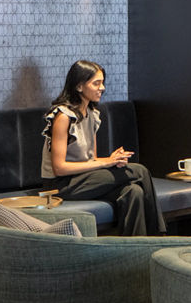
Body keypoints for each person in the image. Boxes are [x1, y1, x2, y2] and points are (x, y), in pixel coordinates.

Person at [41, 60, 166, 236]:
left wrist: (113, 160)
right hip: (60, 185)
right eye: (96, 83)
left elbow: (90, 160)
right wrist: (106, 163)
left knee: (134, 192)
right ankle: (157, 236)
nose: (102, 88)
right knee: (140, 171)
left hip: (83, 179)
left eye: (102, 83)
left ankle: (131, 251)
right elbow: (59, 168)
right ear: (79, 86)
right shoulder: (63, 116)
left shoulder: (92, 114)